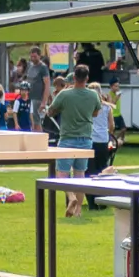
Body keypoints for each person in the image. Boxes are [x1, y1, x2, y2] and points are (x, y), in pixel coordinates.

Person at [45, 67, 107, 216]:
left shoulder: (65, 94)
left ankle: (71, 197)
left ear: (74, 78)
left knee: (62, 174)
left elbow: (50, 111)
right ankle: (78, 210)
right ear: (87, 78)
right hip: (85, 138)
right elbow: (96, 112)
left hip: (67, 138)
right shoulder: (93, 95)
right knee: (80, 175)